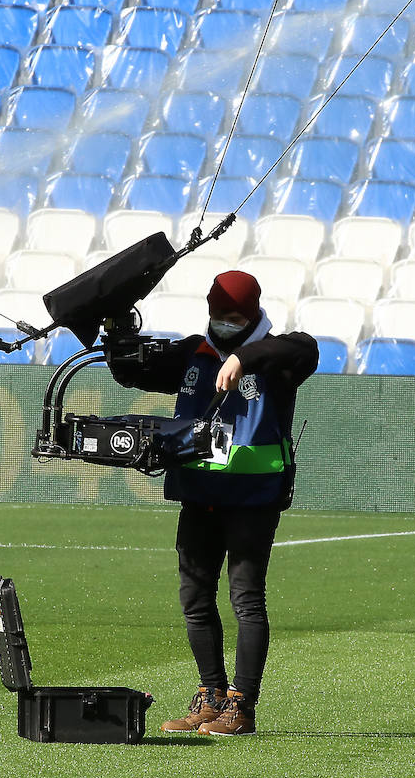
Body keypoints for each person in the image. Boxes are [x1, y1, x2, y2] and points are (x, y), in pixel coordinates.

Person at [108, 270, 318, 736]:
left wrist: (243, 356)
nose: (225, 322)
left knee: (246, 600)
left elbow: (304, 347)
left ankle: (241, 707)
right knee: (195, 600)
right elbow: (130, 371)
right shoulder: (193, 351)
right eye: (218, 315)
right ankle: (211, 696)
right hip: (199, 497)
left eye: (235, 316)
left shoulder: (282, 356)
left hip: (253, 499)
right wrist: (114, 335)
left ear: (253, 313)